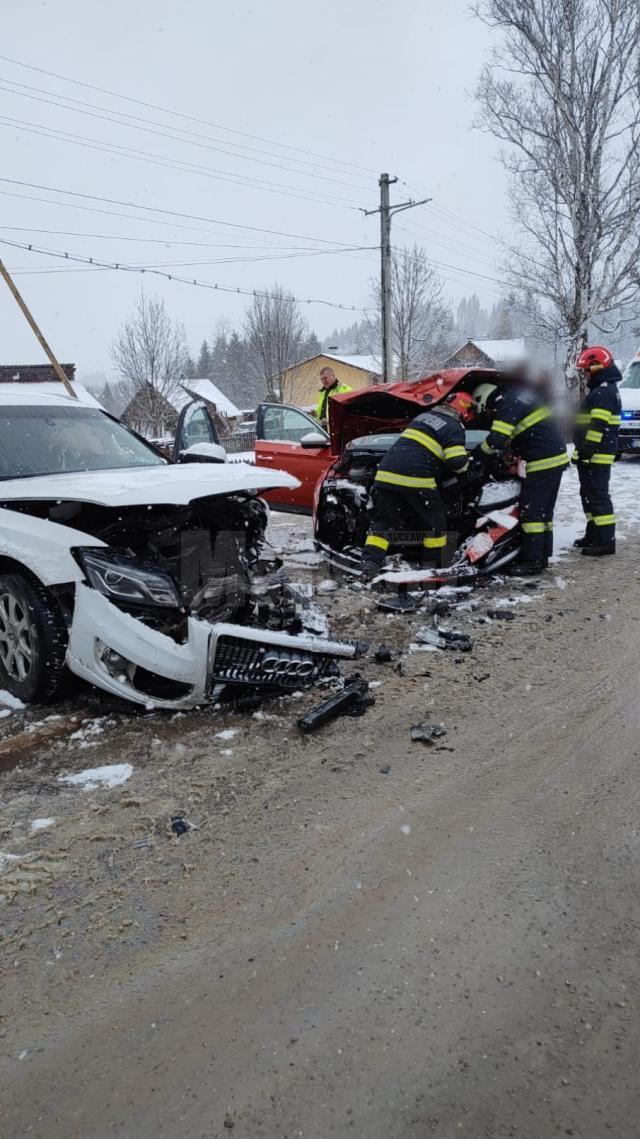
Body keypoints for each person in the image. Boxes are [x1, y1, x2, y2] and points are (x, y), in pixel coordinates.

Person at [361, 390, 475, 577]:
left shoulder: (423, 417)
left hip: (385, 474)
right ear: (464, 410)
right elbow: (456, 463)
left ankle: (370, 562)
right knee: (435, 522)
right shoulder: (454, 426)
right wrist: (468, 465)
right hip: (416, 478)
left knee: (383, 521)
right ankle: (433, 566)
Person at [474, 377, 569, 575]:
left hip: (543, 461)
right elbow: (518, 433)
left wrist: (477, 454)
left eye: (485, 411)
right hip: (553, 457)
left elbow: (497, 439)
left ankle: (531, 561)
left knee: (532, 512)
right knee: (543, 512)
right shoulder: (515, 397)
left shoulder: (506, 404)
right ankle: (542, 557)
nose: (488, 415)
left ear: (483, 401)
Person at [572, 345, 621, 556]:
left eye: (586, 370)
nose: (584, 375)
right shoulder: (602, 389)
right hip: (592, 454)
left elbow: (597, 427)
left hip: (596, 454)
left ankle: (606, 541)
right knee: (589, 494)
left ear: (597, 367)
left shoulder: (603, 392)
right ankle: (593, 533)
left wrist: (586, 451)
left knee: (598, 496)